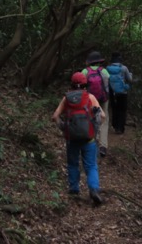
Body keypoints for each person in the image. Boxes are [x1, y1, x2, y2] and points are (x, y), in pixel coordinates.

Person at [51, 72, 104, 206]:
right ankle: (94, 190)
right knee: (91, 166)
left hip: (72, 139)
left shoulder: (66, 98)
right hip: (89, 139)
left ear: (72, 84)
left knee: (73, 164)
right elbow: (102, 116)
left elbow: (55, 116)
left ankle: (74, 190)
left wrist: (63, 127)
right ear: (86, 84)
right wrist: (94, 127)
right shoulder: (90, 97)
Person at [81, 51, 110, 157]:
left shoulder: (85, 71)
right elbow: (107, 86)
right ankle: (103, 146)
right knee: (104, 119)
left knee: (91, 118)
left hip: (90, 99)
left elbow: (81, 85)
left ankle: (93, 140)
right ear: (99, 61)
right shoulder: (104, 71)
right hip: (103, 99)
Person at [106, 52, 132, 134]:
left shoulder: (107, 68)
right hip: (122, 92)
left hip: (112, 92)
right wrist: (130, 74)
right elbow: (130, 79)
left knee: (114, 108)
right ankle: (120, 128)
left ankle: (115, 125)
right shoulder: (124, 68)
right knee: (122, 109)